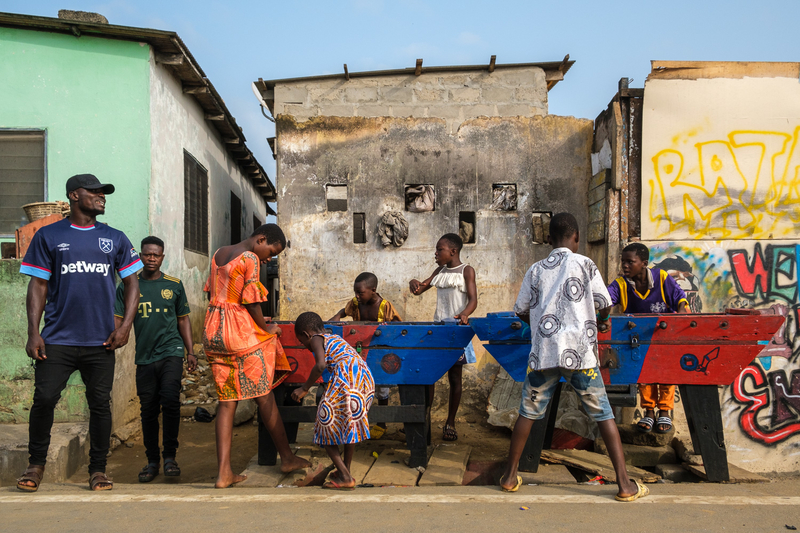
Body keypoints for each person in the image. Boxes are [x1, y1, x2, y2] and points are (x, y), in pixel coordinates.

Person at [499, 212, 647, 502]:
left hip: (544, 354)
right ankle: (625, 484)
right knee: (603, 414)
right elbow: (604, 303)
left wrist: (540, 326)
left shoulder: (536, 269)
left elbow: (520, 309)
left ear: (550, 240)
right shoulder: (585, 264)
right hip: (580, 355)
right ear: (576, 238)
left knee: (528, 412)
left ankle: (509, 476)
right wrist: (601, 319)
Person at [17, 173, 143, 492]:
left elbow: (132, 284)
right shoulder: (49, 235)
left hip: (101, 341)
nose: (102, 197)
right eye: (95, 192)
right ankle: (35, 465)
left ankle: (98, 470)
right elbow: (38, 285)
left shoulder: (115, 238)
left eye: (104, 193)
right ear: (75, 196)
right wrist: (34, 332)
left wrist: (125, 326)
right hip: (57, 339)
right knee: (44, 399)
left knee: (100, 404)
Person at [203, 223, 310, 488]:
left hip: (213, 331)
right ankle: (287, 457)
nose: (269, 258)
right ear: (261, 239)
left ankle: (224, 474)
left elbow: (213, 292)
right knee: (265, 396)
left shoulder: (219, 253)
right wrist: (266, 327)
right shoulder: (250, 258)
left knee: (227, 402)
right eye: (271, 251)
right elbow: (251, 301)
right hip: (238, 332)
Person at [114, 236, 197, 483]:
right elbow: (118, 319)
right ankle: (152, 461)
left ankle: (170, 457)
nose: (151, 258)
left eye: (156, 255)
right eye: (147, 254)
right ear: (140, 255)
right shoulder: (129, 286)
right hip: (144, 357)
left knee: (170, 401)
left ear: (162, 257)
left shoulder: (174, 285)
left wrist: (190, 351)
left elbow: (183, 319)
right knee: (148, 410)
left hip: (171, 352)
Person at [603, 242, 690, 434]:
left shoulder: (661, 277)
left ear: (644, 263)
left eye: (630, 262)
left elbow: (680, 299)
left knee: (665, 373)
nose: (624, 266)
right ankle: (649, 411)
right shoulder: (621, 284)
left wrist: (679, 321)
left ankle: (665, 410)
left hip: (664, 335)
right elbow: (605, 300)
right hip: (638, 338)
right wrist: (603, 315)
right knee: (644, 375)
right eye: (623, 262)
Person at [291, 311, 375, 490]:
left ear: (307, 334)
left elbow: (320, 365)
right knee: (348, 423)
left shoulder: (316, 339)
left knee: (324, 423)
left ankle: (345, 476)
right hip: (363, 379)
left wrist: (305, 388)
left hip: (347, 380)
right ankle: (345, 470)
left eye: (301, 341)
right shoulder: (333, 337)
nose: (304, 345)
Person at [409, 233, 477, 442]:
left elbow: (473, 300)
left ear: (453, 251)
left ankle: (451, 422)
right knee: (430, 376)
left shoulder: (467, 271)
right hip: (438, 329)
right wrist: (414, 282)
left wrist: (465, 314)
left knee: (455, 377)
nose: (436, 253)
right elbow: (420, 289)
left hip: (456, 330)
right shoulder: (439, 271)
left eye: (440, 250)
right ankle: (425, 418)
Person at [329, 271, 401, 434]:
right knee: (357, 385)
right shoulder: (356, 303)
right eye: (355, 292)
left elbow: (397, 324)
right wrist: (337, 316)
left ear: (373, 290)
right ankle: (356, 420)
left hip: (379, 350)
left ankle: (381, 423)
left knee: (382, 386)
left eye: (360, 292)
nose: (357, 296)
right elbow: (344, 311)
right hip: (359, 349)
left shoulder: (385, 306)